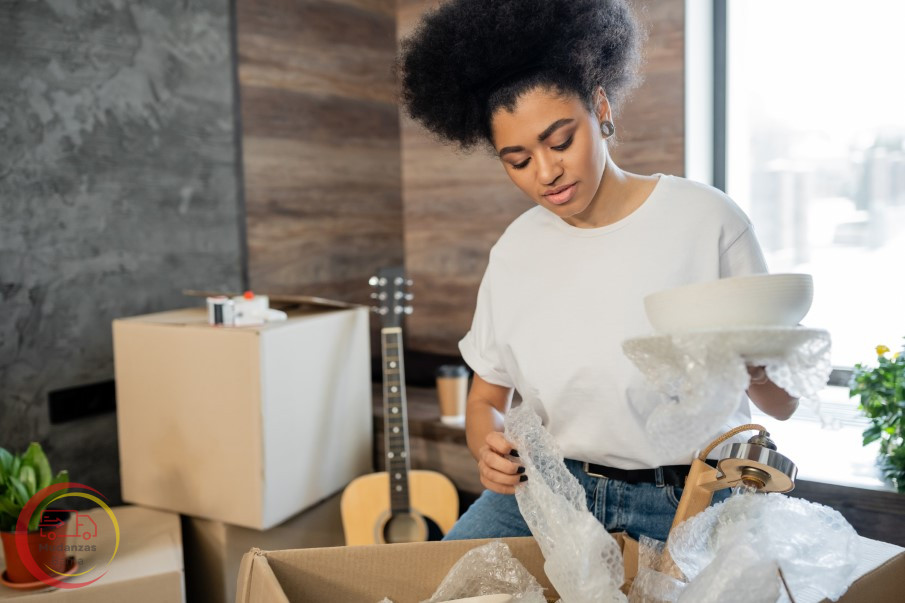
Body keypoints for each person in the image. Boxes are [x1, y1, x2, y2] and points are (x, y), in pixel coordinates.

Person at [396, 0, 798, 543]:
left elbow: (785, 402)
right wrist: (484, 446)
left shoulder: (707, 220)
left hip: (692, 495)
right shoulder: (516, 251)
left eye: (561, 140)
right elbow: (487, 397)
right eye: (517, 160)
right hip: (554, 489)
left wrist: (754, 367)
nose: (546, 172)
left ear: (600, 106)